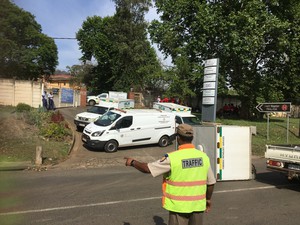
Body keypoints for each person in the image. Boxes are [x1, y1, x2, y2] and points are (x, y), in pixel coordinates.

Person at [124, 124, 216, 225]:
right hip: (198, 206)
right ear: (192, 138)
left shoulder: (172, 158)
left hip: (179, 207)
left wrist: (132, 162)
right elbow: (211, 183)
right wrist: (208, 199)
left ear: (178, 138)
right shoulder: (203, 157)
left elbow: (147, 169)